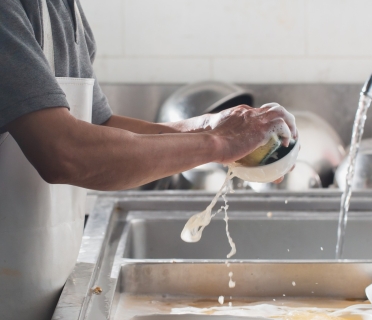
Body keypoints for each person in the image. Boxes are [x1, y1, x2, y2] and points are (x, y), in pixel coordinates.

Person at [0, 1, 297, 319]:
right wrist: (218, 144)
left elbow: (99, 129)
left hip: (46, 292)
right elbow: (64, 152)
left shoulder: (63, 8)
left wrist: (211, 127)